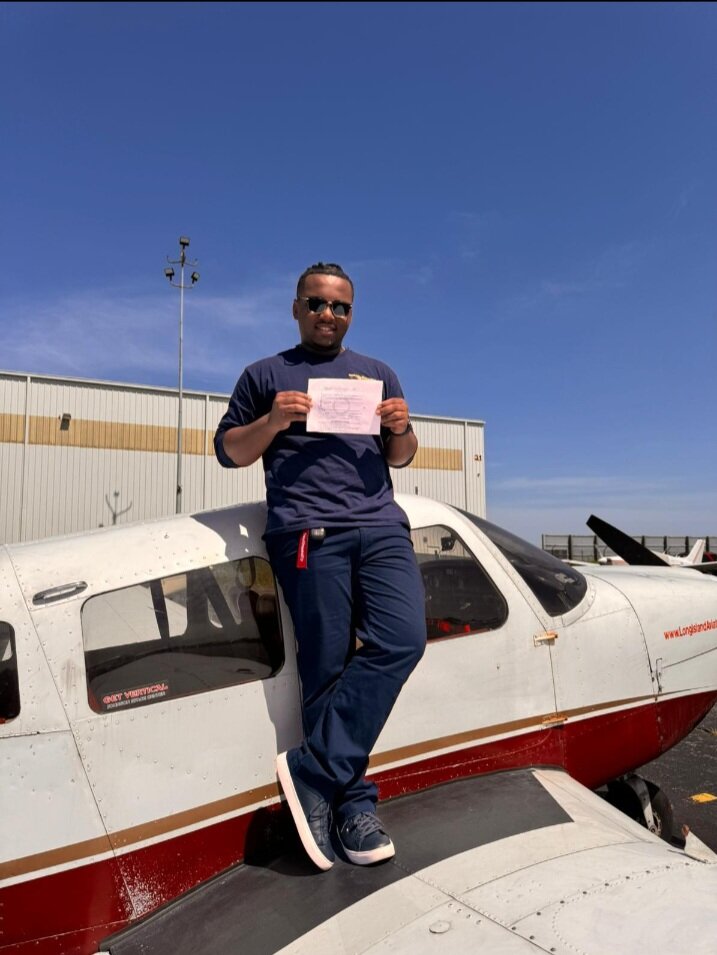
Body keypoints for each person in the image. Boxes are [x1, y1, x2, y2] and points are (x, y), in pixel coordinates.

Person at [214, 262, 426, 871]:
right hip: (308, 532)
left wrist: (402, 427)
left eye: (340, 307)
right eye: (316, 303)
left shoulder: (377, 372)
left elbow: (402, 457)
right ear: (296, 308)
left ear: (351, 314)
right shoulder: (264, 375)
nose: (328, 315)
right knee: (326, 665)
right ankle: (353, 804)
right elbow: (230, 451)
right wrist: (276, 419)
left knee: (403, 640)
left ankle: (312, 770)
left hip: (381, 525)